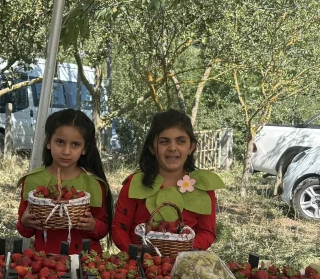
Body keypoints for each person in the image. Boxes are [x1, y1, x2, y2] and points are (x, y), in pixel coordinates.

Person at [111, 109, 224, 253]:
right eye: (164, 141)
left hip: (185, 268)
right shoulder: (134, 184)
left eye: (180, 141)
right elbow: (119, 229)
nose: (172, 148)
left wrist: (181, 252)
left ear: (191, 147)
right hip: (139, 269)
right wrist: (138, 254)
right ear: (152, 147)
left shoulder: (203, 187)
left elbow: (207, 232)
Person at [17, 109, 112, 254]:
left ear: (84, 148)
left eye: (75, 144)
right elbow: (25, 229)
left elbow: (103, 228)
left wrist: (93, 225)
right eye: (60, 142)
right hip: (45, 262)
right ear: (48, 142)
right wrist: (25, 223)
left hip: (85, 262)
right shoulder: (33, 180)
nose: (66, 151)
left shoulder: (94, 184)